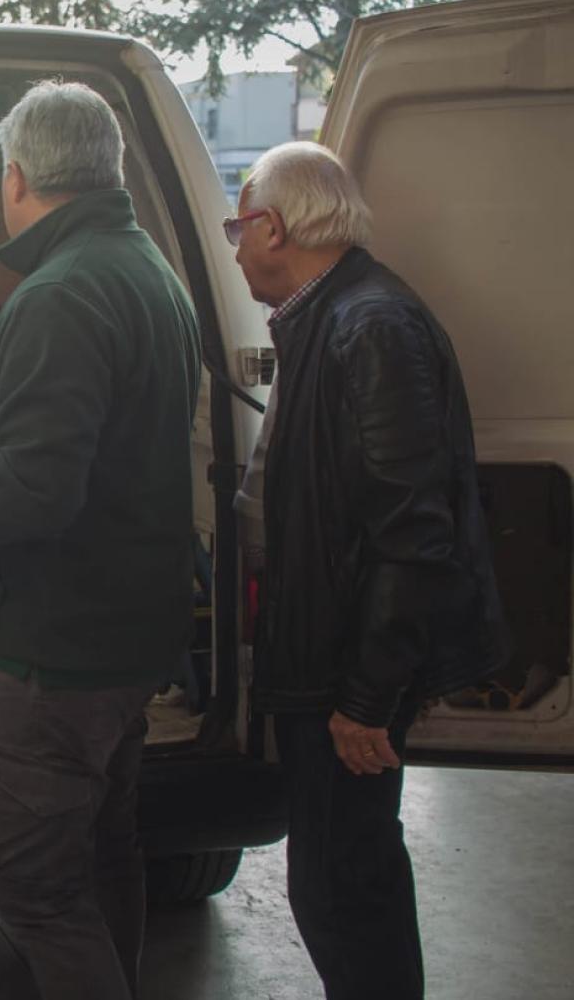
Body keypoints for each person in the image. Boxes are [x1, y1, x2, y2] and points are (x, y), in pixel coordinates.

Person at [0, 81, 200, 999]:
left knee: (36, 893)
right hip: (128, 635)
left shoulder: (63, 294)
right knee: (104, 858)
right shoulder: (145, 269)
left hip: (59, 655)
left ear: (16, 176)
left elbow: (35, 490)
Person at [228, 141, 509, 1000]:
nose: (234, 246)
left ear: (274, 229)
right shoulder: (332, 317)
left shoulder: (369, 326)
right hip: (333, 660)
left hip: (350, 674)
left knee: (347, 886)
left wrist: (365, 698)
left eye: (239, 227)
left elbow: (413, 534)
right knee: (337, 877)